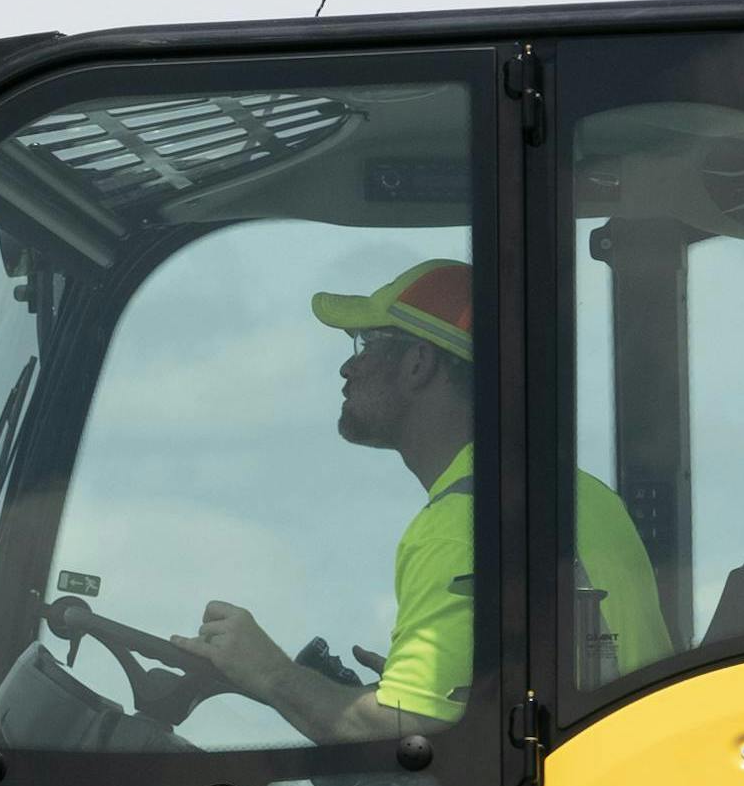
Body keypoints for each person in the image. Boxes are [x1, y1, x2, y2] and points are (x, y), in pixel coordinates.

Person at [184, 256, 662, 743]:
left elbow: (398, 737)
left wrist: (270, 674)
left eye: (367, 342)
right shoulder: (586, 494)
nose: (348, 365)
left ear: (418, 363)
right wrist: (440, 686)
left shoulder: (460, 525)